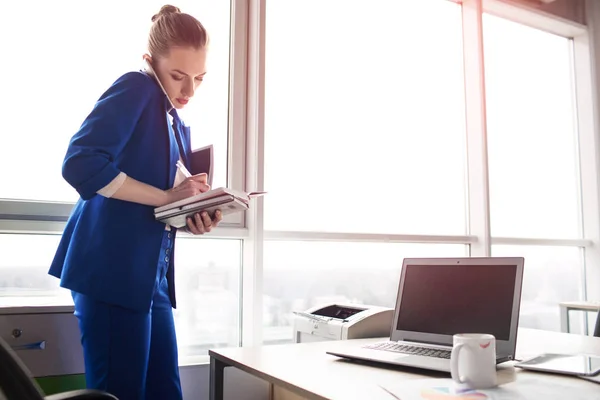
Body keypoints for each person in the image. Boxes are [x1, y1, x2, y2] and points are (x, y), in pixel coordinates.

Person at [48, 5, 221, 399]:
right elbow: (81, 164)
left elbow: (152, 203)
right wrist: (165, 196)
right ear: (150, 62)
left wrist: (191, 213)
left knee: (165, 392)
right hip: (112, 271)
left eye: (199, 78)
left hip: (149, 277)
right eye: (178, 76)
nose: (189, 91)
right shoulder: (137, 87)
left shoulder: (174, 119)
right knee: (118, 394)